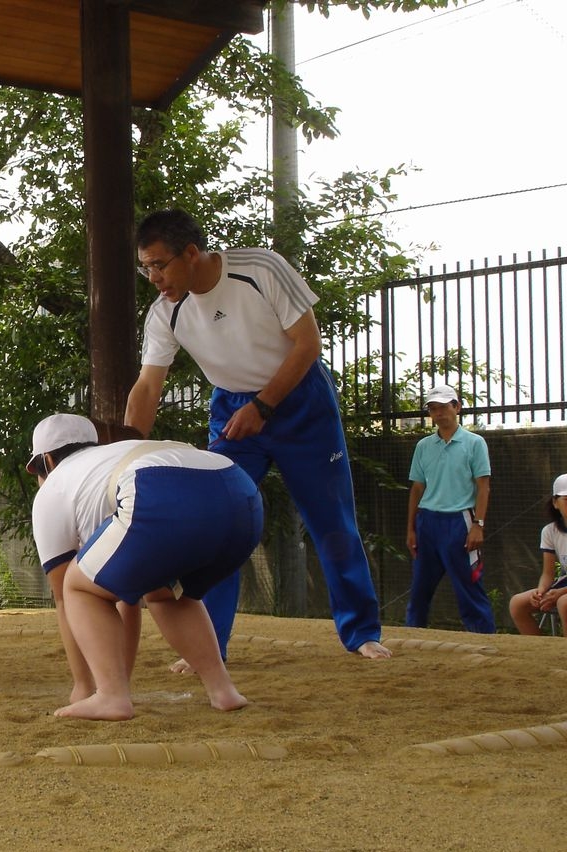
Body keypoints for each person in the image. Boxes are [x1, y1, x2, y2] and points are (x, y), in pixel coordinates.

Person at [124, 208, 390, 662]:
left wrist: (264, 405)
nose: (153, 277)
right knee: (217, 523)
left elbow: (308, 343)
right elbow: (148, 386)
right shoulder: (164, 313)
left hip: (301, 401)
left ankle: (361, 632)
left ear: (191, 253)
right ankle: (207, 646)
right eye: (144, 266)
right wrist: (124, 451)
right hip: (232, 409)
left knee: (332, 522)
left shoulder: (261, 268)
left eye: (159, 264)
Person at [27, 414, 259, 719]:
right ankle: (223, 690)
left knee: (76, 587)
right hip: (241, 494)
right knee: (163, 593)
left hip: (157, 490)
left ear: (46, 461)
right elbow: (127, 594)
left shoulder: (54, 487)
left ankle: (110, 695)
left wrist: (83, 686)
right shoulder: (111, 459)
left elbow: (63, 598)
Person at [404, 384, 494, 632]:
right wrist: (411, 529)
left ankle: (483, 638)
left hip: (460, 521)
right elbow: (417, 488)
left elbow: (483, 487)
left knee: (469, 586)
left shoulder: (475, 443)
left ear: (457, 407)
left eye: (444, 406)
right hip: (427, 522)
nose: (439, 412)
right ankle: (413, 635)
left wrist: (479, 525)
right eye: (433, 408)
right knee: (420, 587)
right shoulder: (423, 446)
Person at [509, 473, 567, 635]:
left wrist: (560, 593)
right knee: (517, 604)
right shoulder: (550, 531)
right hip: (564, 585)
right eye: (566, 500)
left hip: (564, 593)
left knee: (564, 603)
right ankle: (543, 655)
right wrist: (541, 592)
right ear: (555, 503)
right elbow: (548, 573)